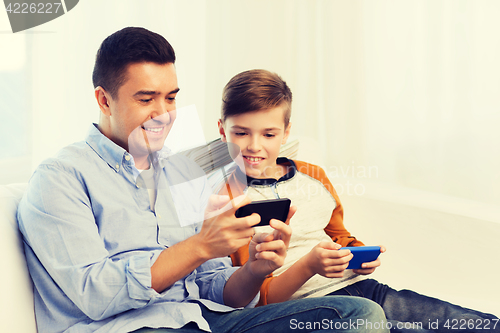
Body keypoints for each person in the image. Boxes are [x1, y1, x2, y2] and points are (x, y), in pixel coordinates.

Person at [17, 27, 389, 333]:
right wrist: (199, 245)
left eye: (171, 98)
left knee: (360, 316)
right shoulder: (60, 178)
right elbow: (94, 294)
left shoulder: (179, 171)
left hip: (204, 320)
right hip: (129, 328)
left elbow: (216, 288)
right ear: (104, 99)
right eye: (146, 99)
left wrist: (255, 269)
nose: (163, 114)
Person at [217, 69, 500, 333]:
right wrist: (309, 266)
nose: (254, 146)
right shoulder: (226, 200)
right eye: (241, 133)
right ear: (222, 130)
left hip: (363, 288)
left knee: (482, 324)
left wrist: (357, 256)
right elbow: (257, 299)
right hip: (310, 309)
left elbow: (339, 236)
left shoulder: (312, 175)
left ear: (286, 132)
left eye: (269, 134)